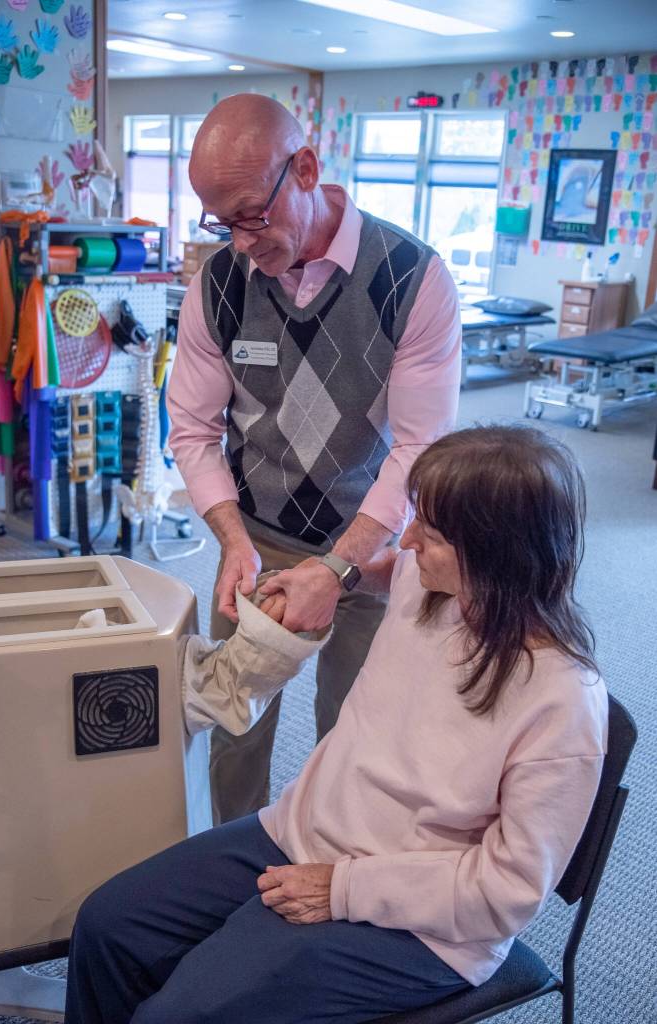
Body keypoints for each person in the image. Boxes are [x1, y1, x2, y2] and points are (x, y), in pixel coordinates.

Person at [65, 425, 607, 1024]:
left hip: (425, 925)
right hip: (305, 832)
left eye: (432, 531)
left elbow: (505, 895)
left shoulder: (561, 703)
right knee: (108, 926)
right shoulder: (428, 585)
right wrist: (331, 575)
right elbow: (382, 569)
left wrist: (343, 889)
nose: (408, 539)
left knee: (177, 1017)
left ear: (497, 550)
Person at [167, 92, 462, 824]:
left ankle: (334, 873)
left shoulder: (413, 281)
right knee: (234, 727)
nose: (237, 241)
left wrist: (340, 566)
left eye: (249, 215)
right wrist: (232, 540)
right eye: (218, 220)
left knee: (357, 731)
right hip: (256, 537)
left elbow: (421, 450)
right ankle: (228, 866)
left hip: (371, 547)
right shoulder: (218, 285)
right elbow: (194, 431)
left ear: (304, 169)